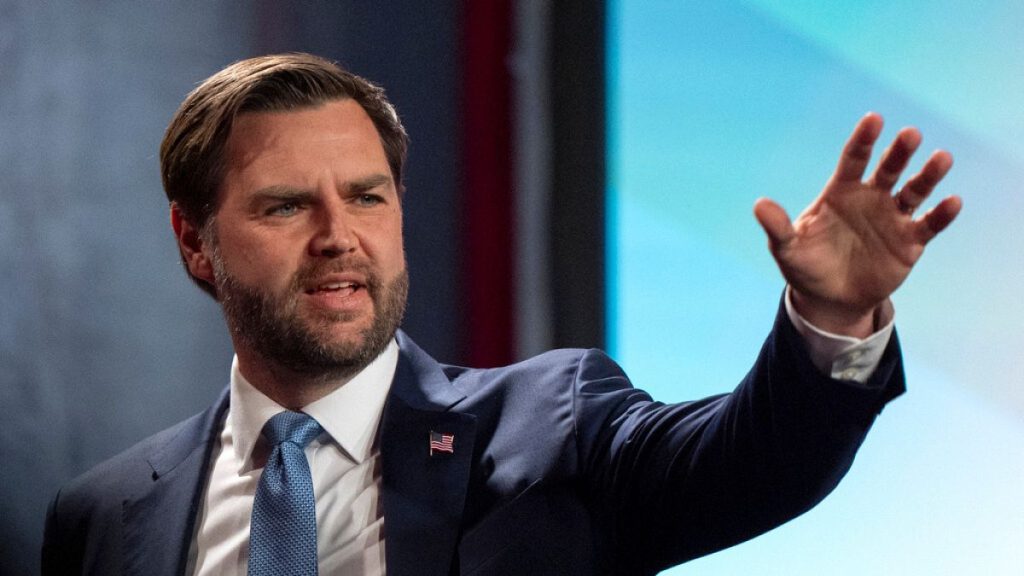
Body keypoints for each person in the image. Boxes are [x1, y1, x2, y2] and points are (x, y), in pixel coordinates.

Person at [40, 53, 961, 575]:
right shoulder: (102, 519)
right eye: (286, 206)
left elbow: (748, 464)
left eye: (367, 197)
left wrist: (828, 318)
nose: (339, 237)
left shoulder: (550, 423)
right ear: (196, 243)